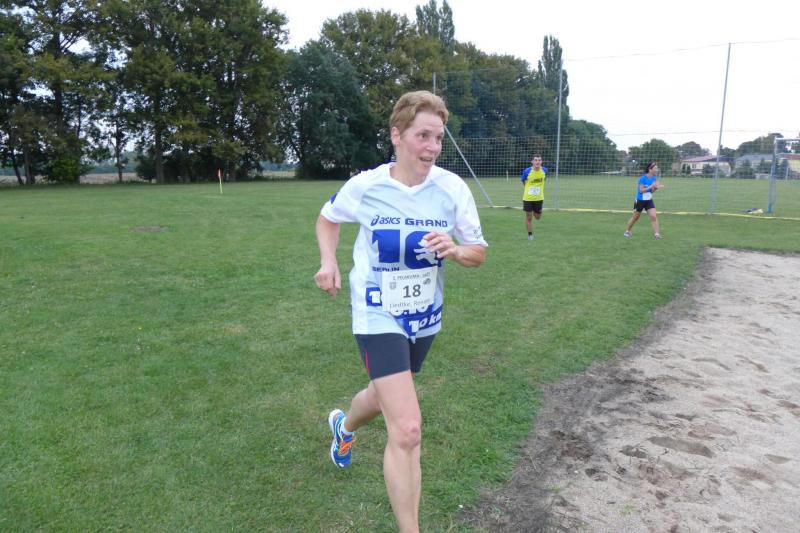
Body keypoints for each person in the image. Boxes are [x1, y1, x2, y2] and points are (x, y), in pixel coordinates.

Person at [314, 90, 488, 533]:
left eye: (438, 138)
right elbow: (328, 218)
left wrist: (456, 250)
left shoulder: (451, 189)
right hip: (376, 312)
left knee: (382, 396)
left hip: (424, 316)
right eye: (422, 136)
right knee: (407, 428)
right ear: (397, 135)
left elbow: (478, 252)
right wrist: (328, 261)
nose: (432, 147)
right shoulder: (368, 186)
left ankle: (344, 427)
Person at [624, 161, 664, 239]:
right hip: (640, 201)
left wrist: (655, 188)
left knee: (653, 216)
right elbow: (641, 190)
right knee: (635, 217)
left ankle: (657, 235)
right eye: (655, 168)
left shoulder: (654, 178)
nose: (656, 170)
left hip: (649, 200)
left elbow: (651, 191)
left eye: (657, 168)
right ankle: (627, 231)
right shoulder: (642, 179)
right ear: (650, 169)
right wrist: (651, 186)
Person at [521, 155, 547, 240]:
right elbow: (523, 181)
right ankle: (530, 235)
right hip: (528, 198)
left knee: (537, 217)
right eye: (535, 160)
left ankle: (534, 211)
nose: (537, 162)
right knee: (529, 217)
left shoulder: (544, 170)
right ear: (532, 162)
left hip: (539, 198)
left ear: (541, 162)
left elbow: (544, 180)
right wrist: (528, 188)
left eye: (539, 160)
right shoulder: (527, 171)